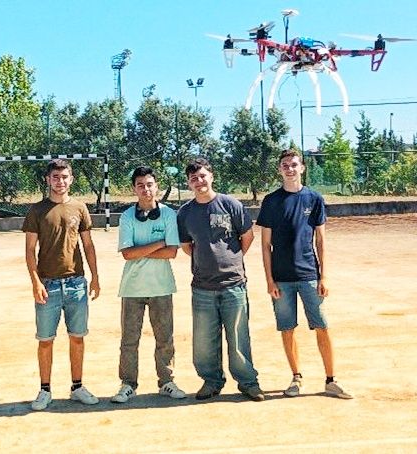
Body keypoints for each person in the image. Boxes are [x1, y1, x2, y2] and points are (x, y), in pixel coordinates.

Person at [257, 149, 353, 399]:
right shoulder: (271, 201)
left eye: (294, 164)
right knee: (287, 329)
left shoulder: (314, 199)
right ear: (280, 169)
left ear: (302, 168)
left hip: (310, 275)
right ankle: (296, 377)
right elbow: (265, 245)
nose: (289, 168)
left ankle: (331, 380)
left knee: (322, 326)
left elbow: (320, 240)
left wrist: (324, 276)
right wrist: (269, 280)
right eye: (285, 165)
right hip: (281, 279)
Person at [177, 158, 264, 402]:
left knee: (239, 338)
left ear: (212, 176)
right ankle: (211, 381)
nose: (199, 181)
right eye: (194, 178)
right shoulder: (185, 212)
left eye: (203, 176)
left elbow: (247, 237)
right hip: (202, 287)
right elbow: (187, 246)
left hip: (233, 285)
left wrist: (231, 260)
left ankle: (248, 382)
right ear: (189, 183)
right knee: (204, 341)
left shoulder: (231, 205)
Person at [23, 159, 101, 411]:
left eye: (65, 177)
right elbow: (29, 251)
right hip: (48, 285)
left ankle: (77, 386)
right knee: (45, 339)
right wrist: (36, 282)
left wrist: (95, 277)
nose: (60, 181)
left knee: (77, 338)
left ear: (71, 179)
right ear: (48, 179)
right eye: (55, 177)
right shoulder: (37, 210)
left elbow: (87, 245)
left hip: (76, 283)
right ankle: (45, 390)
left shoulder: (79, 208)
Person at [111, 166, 186, 403]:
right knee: (129, 340)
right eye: (140, 185)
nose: (146, 189)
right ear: (134, 189)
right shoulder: (126, 217)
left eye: (149, 184)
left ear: (157, 186)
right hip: (132, 288)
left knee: (165, 338)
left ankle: (167, 381)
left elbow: (172, 253)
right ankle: (128, 384)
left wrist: (141, 250)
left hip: (162, 286)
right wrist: (159, 242)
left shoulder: (168, 215)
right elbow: (127, 255)